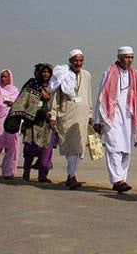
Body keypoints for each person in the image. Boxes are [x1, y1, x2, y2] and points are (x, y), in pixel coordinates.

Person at [93, 46, 137, 194]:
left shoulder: (136, 75)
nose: (129, 60)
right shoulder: (109, 73)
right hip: (112, 115)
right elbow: (101, 97)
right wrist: (97, 120)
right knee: (114, 147)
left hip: (130, 115)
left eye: (131, 57)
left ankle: (122, 179)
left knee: (126, 150)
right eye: (126, 57)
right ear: (119, 58)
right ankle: (117, 180)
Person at [48, 49, 93, 189]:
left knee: (79, 149)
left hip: (82, 115)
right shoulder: (63, 76)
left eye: (80, 60)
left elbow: (88, 95)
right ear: (71, 61)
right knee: (71, 148)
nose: (78, 63)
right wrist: (53, 115)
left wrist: (90, 114)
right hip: (67, 115)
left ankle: (71, 175)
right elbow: (55, 98)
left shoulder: (86, 75)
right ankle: (71, 176)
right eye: (75, 60)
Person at [20, 63, 56, 182]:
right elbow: (23, 100)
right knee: (30, 149)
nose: (45, 74)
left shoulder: (53, 86)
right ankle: (26, 173)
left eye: (48, 72)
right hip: (32, 121)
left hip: (46, 123)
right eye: (43, 72)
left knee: (46, 151)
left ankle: (42, 175)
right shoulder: (32, 84)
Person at [0, 69, 19, 175]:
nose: (3, 79)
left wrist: (12, 104)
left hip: (11, 121)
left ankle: (8, 172)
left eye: (5, 76)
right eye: (2, 76)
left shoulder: (15, 90)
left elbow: (19, 104)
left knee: (11, 147)